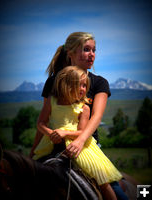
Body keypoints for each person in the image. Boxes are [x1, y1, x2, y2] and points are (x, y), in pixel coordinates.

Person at [30, 32, 128, 200]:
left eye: (94, 50)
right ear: (71, 53)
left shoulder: (99, 82)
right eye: (86, 49)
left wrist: (80, 140)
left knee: (113, 188)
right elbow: (46, 119)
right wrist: (32, 152)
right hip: (52, 147)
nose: (92, 54)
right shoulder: (54, 82)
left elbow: (96, 117)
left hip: (85, 146)